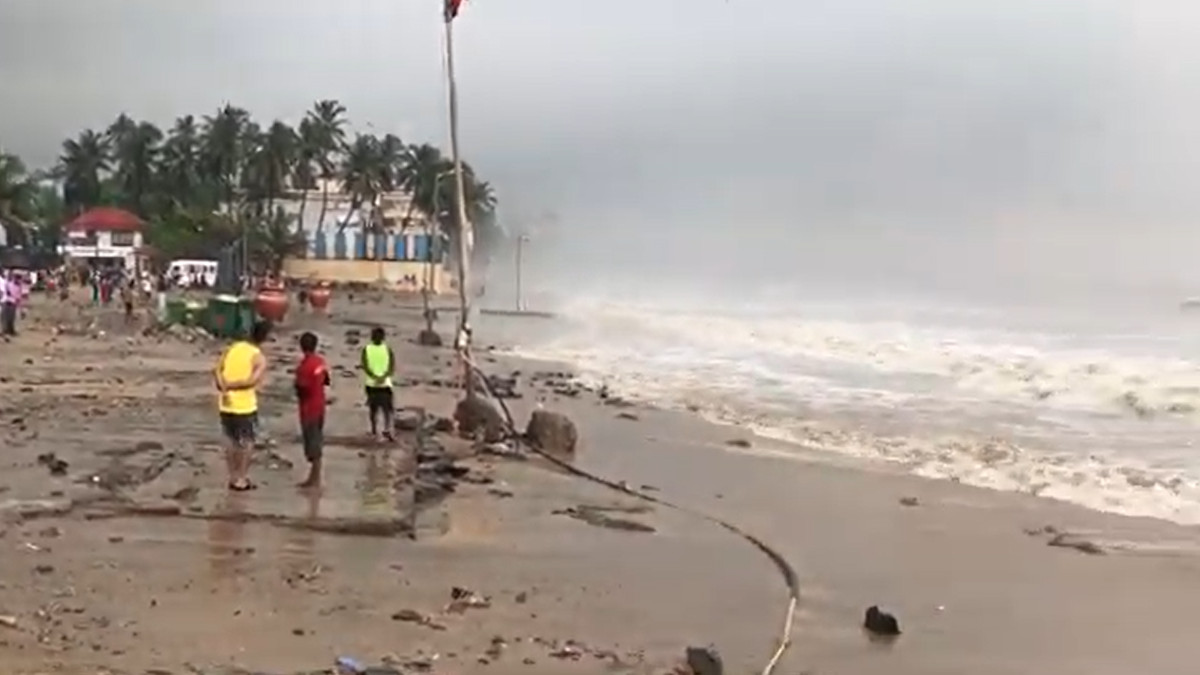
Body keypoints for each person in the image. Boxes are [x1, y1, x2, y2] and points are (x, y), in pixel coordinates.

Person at [213, 320, 271, 491]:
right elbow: (251, 381)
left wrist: (223, 386)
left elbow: (217, 370)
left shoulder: (232, 349)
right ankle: (241, 478)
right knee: (247, 442)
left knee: (230, 441)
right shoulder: (258, 357)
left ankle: (232, 476)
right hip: (245, 406)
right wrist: (231, 386)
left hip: (225, 404)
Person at [294, 331, 330, 488]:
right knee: (317, 440)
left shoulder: (303, 367)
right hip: (320, 406)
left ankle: (314, 479)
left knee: (312, 443)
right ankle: (315, 477)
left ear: (301, 347)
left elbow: (301, 389)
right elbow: (326, 380)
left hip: (309, 409)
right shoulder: (320, 362)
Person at [360, 326, 396, 442]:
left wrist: (374, 376)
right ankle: (387, 429)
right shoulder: (388, 350)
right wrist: (383, 377)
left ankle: (374, 430)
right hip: (385, 383)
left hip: (371, 384)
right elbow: (391, 366)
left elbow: (365, 366)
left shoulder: (367, 349)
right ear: (383, 337)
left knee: (373, 409)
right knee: (387, 409)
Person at [0, 270, 17, 336]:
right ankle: (4, 330)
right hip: (3, 300)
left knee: (10, 316)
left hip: (8, 300)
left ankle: (9, 329)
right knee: (4, 316)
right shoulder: (2, 280)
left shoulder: (6, 280)